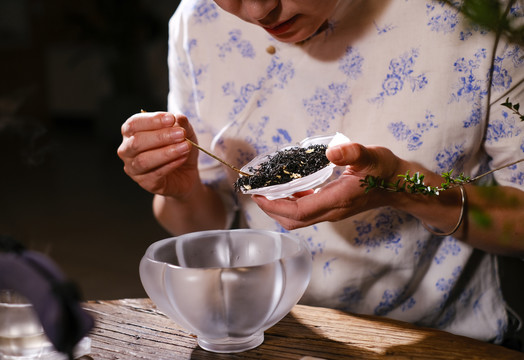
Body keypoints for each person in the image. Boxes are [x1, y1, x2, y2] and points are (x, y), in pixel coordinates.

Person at [118, 0, 524, 346]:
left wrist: (400, 188)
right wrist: (181, 190)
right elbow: (202, 220)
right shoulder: (199, 19)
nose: (260, 10)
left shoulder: (483, 17)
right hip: (272, 329)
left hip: (439, 337)